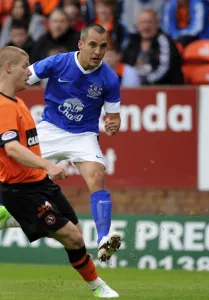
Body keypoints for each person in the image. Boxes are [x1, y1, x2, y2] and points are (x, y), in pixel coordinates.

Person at [0, 46, 119, 298]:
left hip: (41, 184)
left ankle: (11, 218)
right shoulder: (4, 106)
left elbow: (24, 146)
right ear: (9, 68)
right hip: (20, 190)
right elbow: (11, 149)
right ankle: (98, 287)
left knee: (76, 232)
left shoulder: (19, 103)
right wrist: (48, 165)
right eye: (25, 66)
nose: (29, 71)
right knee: (73, 237)